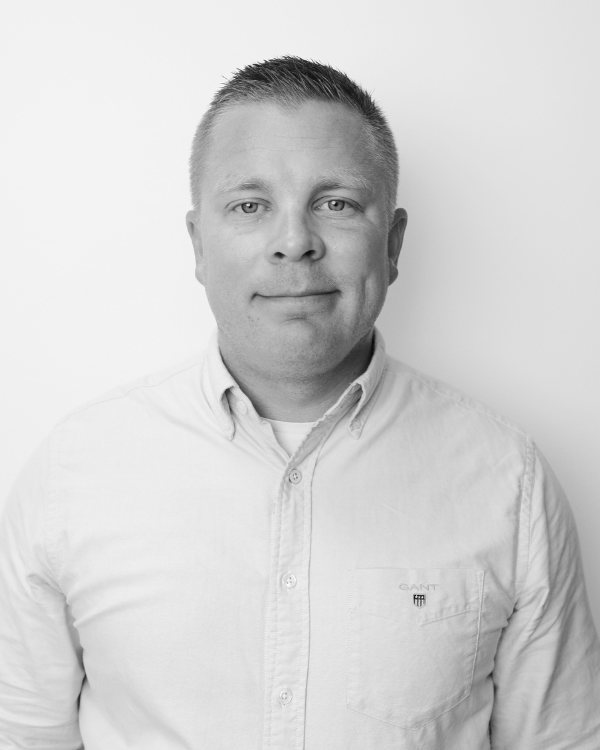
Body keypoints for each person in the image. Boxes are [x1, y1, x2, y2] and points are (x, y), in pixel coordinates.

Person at [0, 56, 598, 750]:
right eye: (250, 206)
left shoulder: (508, 479)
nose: (294, 243)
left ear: (393, 244)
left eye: (336, 203)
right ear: (198, 245)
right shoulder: (74, 473)